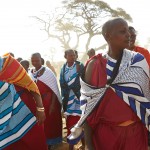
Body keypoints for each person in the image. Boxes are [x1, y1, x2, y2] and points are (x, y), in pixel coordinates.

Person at [69, 18, 150, 150]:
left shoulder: (137, 61)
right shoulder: (94, 65)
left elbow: (146, 100)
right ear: (108, 36)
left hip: (134, 135)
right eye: (122, 31)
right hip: (105, 137)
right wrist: (89, 144)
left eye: (127, 31)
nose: (128, 35)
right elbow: (88, 108)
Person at [0, 53, 47, 150]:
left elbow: (31, 85)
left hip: (25, 110)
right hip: (3, 118)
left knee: (34, 142)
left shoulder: (7, 63)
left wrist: (40, 108)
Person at [30, 53, 62, 150]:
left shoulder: (47, 72)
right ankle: (43, 142)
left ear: (41, 60)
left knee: (51, 123)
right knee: (41, 124)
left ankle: (52, 143)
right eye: (33, 60)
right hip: (38, 103)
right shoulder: (30, 73)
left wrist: (52, 105)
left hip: (49, 103)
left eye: (37, 60)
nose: (35, 62)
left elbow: (54, 90)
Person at [60, 49, 85, 150]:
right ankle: (74, 145)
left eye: (74, 55)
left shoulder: (79, 66)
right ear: (65, 56)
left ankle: (81, 145)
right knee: (70, 122)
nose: (72, 57)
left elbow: (84, 80)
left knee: (80, 121)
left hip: (79, 98)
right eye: (70, 55)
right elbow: (62, 83)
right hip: (68, 100)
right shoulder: (63, 68)